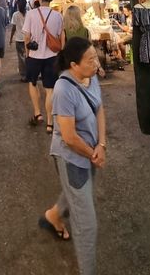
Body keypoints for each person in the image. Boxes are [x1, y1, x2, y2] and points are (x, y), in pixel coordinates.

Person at [40, 37, 106, 275]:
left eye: (95, 57)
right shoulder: (63, 89)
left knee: (78, 193)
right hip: (72, 158)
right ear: (74, 65)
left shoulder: (91, 77)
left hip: (90, 152)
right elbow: (68, 137)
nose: (96, 62)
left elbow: (98, 107)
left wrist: (102, 144)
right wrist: (93, 154)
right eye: (90, 60)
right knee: (87, 224)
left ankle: (52, 216)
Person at [22, 0, 65, 133]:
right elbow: (60, 37)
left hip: (34, 56)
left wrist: (27, 52)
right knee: (50, 90)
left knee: (32, 83)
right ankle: (49, 122)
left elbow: (27, 36)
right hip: (52, 56)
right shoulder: (58, 15)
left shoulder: (31, 14)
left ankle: (37, 113)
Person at [9, 0, 29, 80]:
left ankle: (24, 75)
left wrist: (11, 38)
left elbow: (13, 28)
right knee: (28, 56)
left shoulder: (15, 15)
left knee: (21, 58)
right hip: (28, 38)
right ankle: (30, 73)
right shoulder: (29, 14)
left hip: (19, 39)